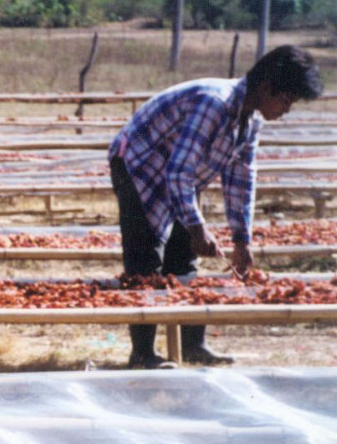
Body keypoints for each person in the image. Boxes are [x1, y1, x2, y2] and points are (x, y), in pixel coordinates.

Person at [110, 45, 322, 369]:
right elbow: (177, 172)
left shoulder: (250, 121)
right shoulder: (214, 104)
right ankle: (143, 354)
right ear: (266, 88)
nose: (286, 110)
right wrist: (197, 227)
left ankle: (194, 345)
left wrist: (242, 240)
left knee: (184, 254)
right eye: (286, 100)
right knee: (146, 254)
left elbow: (240, 179)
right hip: (138, 161)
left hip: (179, 171)